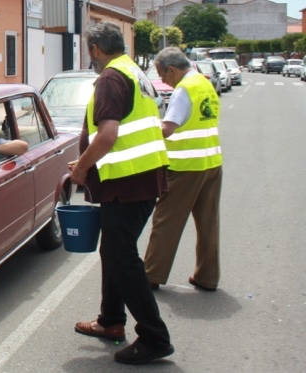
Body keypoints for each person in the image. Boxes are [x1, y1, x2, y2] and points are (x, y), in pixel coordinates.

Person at [69, 22, 173, 365]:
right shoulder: (134, 72)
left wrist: (81, 168)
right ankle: (111, 320)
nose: (90, 57)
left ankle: (154, 337)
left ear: (96, 49)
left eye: (90, 51)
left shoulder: (111, 78)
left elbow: (108, 134)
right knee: (114, 251)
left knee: (121, 257)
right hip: (138, 178)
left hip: (129, 182)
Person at [144, 47, 222, 292]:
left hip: (185, 166)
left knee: (166, 221)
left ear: (172, 70)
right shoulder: (204, 83)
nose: (163, 81)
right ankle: (207, 276)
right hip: (211, 162)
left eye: (162, 75)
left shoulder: (183, 90)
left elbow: (167, 129)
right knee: (208, 224)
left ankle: (151, 275)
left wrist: (145, 128)